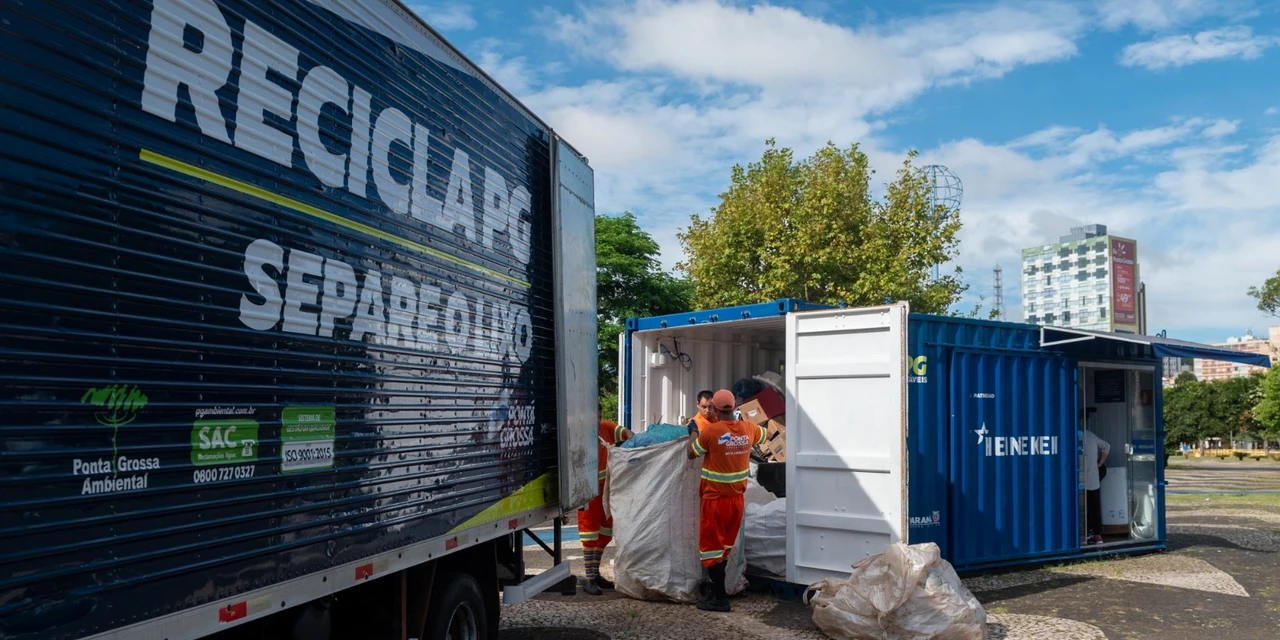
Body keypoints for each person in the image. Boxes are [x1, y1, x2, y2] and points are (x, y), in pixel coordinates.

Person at [687, 389, 766, 612]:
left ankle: (720, 599)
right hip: (737, 502)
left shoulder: (711, 432)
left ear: (715, 409)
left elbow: (691, 453)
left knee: (711, 551)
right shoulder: (748, 429)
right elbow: (764, 433)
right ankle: (717, 590)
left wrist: (693, 431)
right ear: (733, 407)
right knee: (723, 550)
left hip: (715, 501)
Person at [578, 403, 631, 595]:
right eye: (594, 417)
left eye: (599, 417)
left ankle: (595, 574)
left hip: (606, 491)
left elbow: (628, 434)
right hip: (588, 492)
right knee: (589, 536)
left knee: (604, 534)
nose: (597, 421)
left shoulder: (606, 428)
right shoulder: (579, 435)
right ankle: (589, 578)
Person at [1082, 424, 1111, 545]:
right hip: (1092, 478)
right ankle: (1097, 535)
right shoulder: (1090, 435)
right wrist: (1099, 463)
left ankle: (1084, 533)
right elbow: (1106, 446)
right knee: (1094, 507)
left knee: (1081, 508)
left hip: (1077, 480)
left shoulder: (1069, 436)